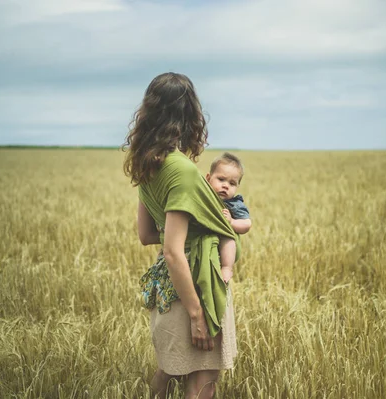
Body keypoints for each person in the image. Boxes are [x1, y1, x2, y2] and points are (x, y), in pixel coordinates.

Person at [123, 72, 239, 399]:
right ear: (190, 114)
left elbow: (147, 235)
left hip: (167, 291)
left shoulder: (149, 165)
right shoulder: (184, 171)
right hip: (195, 288)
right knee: (203, 380)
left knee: (168, 373)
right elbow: (175, 251)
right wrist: (197, 315)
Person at [205, 152, 252, 284]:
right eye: (221, 180)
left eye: (232, 183)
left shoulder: (234, 204)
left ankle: (227, 267)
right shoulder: (204, 196)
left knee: (228, 239)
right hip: (205, 238)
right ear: (208, 178)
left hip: (222, 234)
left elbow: (247, 224)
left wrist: (231, 222)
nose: (226, 186)